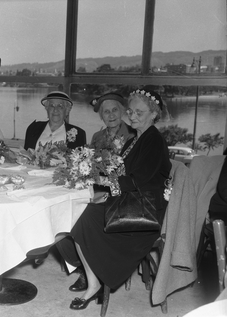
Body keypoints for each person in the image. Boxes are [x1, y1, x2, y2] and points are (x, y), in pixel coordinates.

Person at [57, 88, 171, 310]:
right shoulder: (136, 140)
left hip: (145, 213)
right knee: (80, 209)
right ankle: (93, 279)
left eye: (140, 111)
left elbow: (137, 181)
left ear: (154, 114)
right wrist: (103, 188)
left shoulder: (154, 140)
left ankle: (93, 283)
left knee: (86, 216)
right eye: (132, 110)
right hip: (132, 201)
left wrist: (105, 186)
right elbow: (121, 174)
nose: (133, 115)